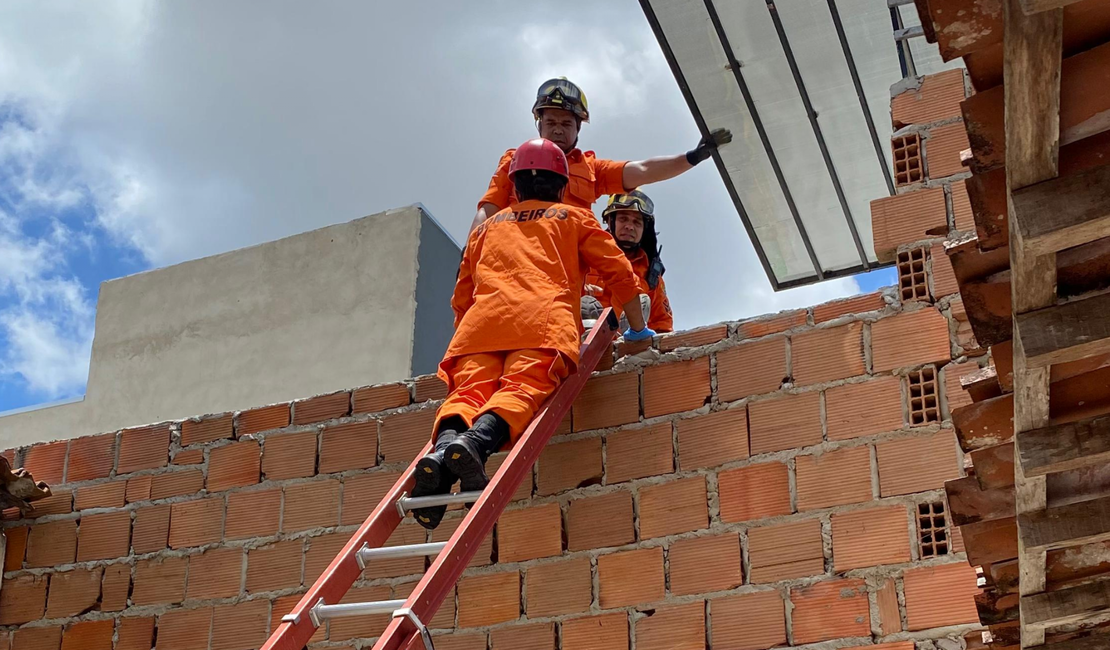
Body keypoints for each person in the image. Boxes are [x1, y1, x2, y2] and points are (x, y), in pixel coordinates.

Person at [410, 138, 655, 530]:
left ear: (515, 185)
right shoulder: (574, 218)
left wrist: (468, 334)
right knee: (520, 389)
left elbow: (461, 294)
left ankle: (442, 454)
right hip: (541, 326)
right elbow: (620, 274)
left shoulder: (486, 229)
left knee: (469, 394)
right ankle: (473, 444)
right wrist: (639, 329)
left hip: (480, 329)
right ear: (561, 185)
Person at [469, 77, 732, 234]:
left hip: (564, 268)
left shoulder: (591, 168)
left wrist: (692, 157)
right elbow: (488, 210)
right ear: (539, 124)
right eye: (551, 123)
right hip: (517, 254)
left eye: (566, 123)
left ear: (578, 127)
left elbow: (642, 170)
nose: (558, 130)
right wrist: (469, 257)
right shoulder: (514, 160)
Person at [585, 188, 674, 333]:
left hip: (629, 350)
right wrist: (577, 292)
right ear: (609, 221)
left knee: (641, 304)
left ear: (645, 229)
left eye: (637, 222)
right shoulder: (586, 257)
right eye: (623, 219)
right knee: (586, 305)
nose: (629, 226)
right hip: (582, 343)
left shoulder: (651, 277)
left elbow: (662, 325)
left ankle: (634, 329)